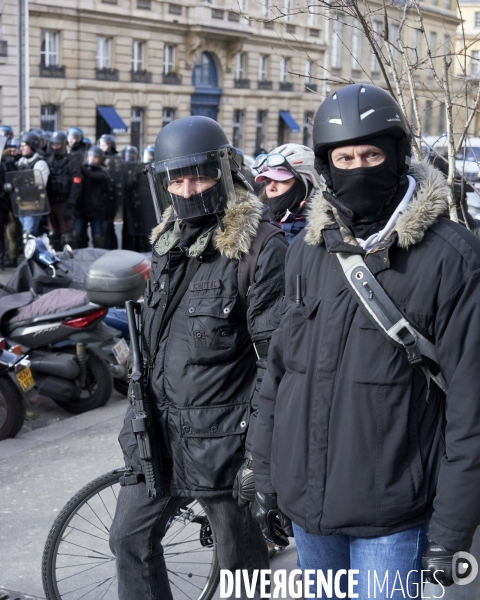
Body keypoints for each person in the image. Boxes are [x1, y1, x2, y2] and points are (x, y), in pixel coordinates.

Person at [251, 84, 480, 598]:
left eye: (371, 154)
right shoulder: (309, 252)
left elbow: (472, 410)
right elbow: (278, 375)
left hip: (394, 518)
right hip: (310, 512)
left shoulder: (453, 258)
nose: (358, 168)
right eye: (345, 157)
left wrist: (450, 534)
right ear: (326, 166)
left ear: (397, 155)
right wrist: (266, 478)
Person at [109, 115, 288, 600]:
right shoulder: (169, 242)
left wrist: (261, 454)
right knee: (127, 540)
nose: (188, 189)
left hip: (227, 447)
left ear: (224, 172)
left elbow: (278, 363)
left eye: (200, 175)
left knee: (241, 569)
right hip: (159, 434)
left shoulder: (259, 249)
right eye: (176, 178)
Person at [254, 144, 319, 244]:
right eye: (268, 181)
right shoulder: (256, 229)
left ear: (303, 187)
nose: (271, 187)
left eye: (281, 180)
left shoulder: (320, 238)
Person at [46, 130, 83, 249]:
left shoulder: (71, 162)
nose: (55, 147)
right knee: (53, 235)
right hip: (51, 202)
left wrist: (70, 204)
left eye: (58, 145)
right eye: (53, 144)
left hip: (64, 202)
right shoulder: (48, 161)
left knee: (67, 236)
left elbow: (76, 183)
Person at [72, 145, 110, 248]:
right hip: (81, 210)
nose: (92, 159)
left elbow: (90, 175)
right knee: (76, 235)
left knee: (97, 238)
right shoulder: (82, 172)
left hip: (96, 212)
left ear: (100, 159)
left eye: (95, 157)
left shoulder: (103, 174)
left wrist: (77, 165)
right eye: (90, 156)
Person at [16, 131, 50, 238]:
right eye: (20, 146)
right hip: (21, 204)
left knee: (28, 234)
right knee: (31, 234)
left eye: (23, 146)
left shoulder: (40, 163)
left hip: (33, 204)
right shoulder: (21, 161)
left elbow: (40, 185)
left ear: (32, 146)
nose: (21, 148)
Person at [99, 133, 123, 249]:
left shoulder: (117, 159)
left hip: (112, 196)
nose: (102, 146)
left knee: (108, 224)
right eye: (101, 144)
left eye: (104, 144)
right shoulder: (100, 156)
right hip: (101, 195)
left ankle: (110, 247)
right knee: (104, 225)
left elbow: (118, 177)